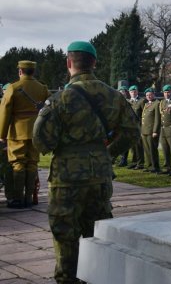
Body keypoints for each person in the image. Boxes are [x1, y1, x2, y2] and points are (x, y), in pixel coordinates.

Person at [32, 40, 139, 283]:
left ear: (69, 63)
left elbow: (41, 142)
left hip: (67, 177)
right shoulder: (113, 95)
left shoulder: (60, 99)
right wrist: (107, 153)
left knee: (64, 232)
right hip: (99, 174)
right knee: (97, 229)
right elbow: (132, 132)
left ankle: (68, 279)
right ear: (94, 64)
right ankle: (98, 276)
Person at [0, 60, 50, 208]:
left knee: (18, 164)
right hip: (36, 132)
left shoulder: (13, 88)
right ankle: (29, 198)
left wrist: (2, 134)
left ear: (20, 71)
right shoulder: (43, 88)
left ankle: (17, 198)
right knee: (32, 163)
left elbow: (5, 112)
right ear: (33, 72)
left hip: (17, 131)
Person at [140, 88, 161, 173]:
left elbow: (157, 119)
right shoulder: (146, 104)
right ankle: (149, 165)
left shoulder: (157, 104)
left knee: (152, 149)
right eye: (147, 95)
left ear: (153, 94)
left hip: (151, 131)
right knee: (147, 149)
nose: (149, 96)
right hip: (144, 130)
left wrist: (155, 131)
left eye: (150, 95)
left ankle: (155, 166)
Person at [126, 85, 145, 170]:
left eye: (134, 91)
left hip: (138, 126)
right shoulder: (128, 101)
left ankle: (140, 163)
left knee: (139, 146)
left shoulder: (141, 101)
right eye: (131, 92)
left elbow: (144, 115)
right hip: (131, 127)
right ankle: (134, 162)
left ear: (137, 92)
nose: (133, 93)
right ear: (129, 93)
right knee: (133, 146)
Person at [116, 85, 131, 167]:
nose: (122, 93)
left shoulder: (129, 101)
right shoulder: (116, 101)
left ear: (126, 93)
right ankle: (117, 159)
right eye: (120, 92)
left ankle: (124, 160)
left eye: (123, 92)